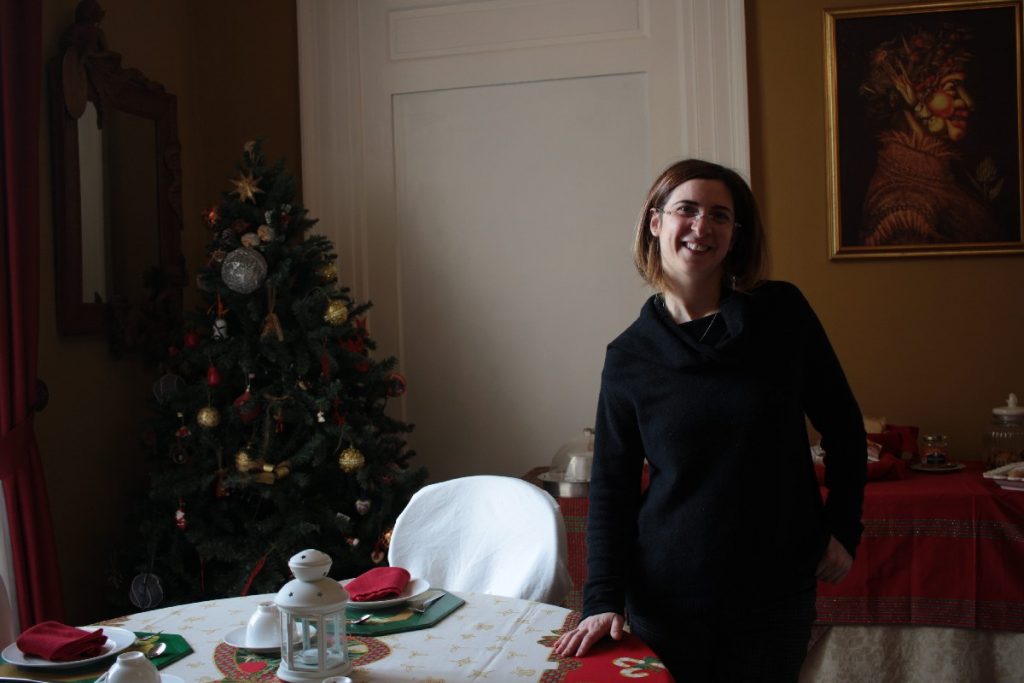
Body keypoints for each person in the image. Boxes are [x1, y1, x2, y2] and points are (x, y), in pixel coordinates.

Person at [552, 159, 867, 681]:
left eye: (720, 215)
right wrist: (602, 599)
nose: (702, 226)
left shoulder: (782, 314)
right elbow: (612, 488)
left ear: (735, 235)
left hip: (774, 596)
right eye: (687, 209)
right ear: (656, 222)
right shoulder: (629, 357)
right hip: (666, 602)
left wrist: (843, 526)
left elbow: (844, 426)